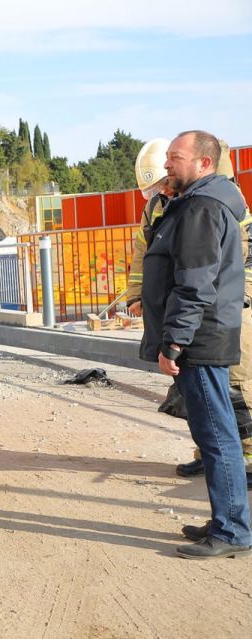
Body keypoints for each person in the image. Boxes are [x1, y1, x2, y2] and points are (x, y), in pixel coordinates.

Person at [139, 129, 251, 559]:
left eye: (175, 157)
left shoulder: (202, 208)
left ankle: (232, 530)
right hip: (203, 336)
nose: (167, 164)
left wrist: (174, 343)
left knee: (217, 436)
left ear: (204, 163)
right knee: (213, 435)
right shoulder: (198, 202)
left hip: (199, 340)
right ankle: (226, 519)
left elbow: (194, 283)